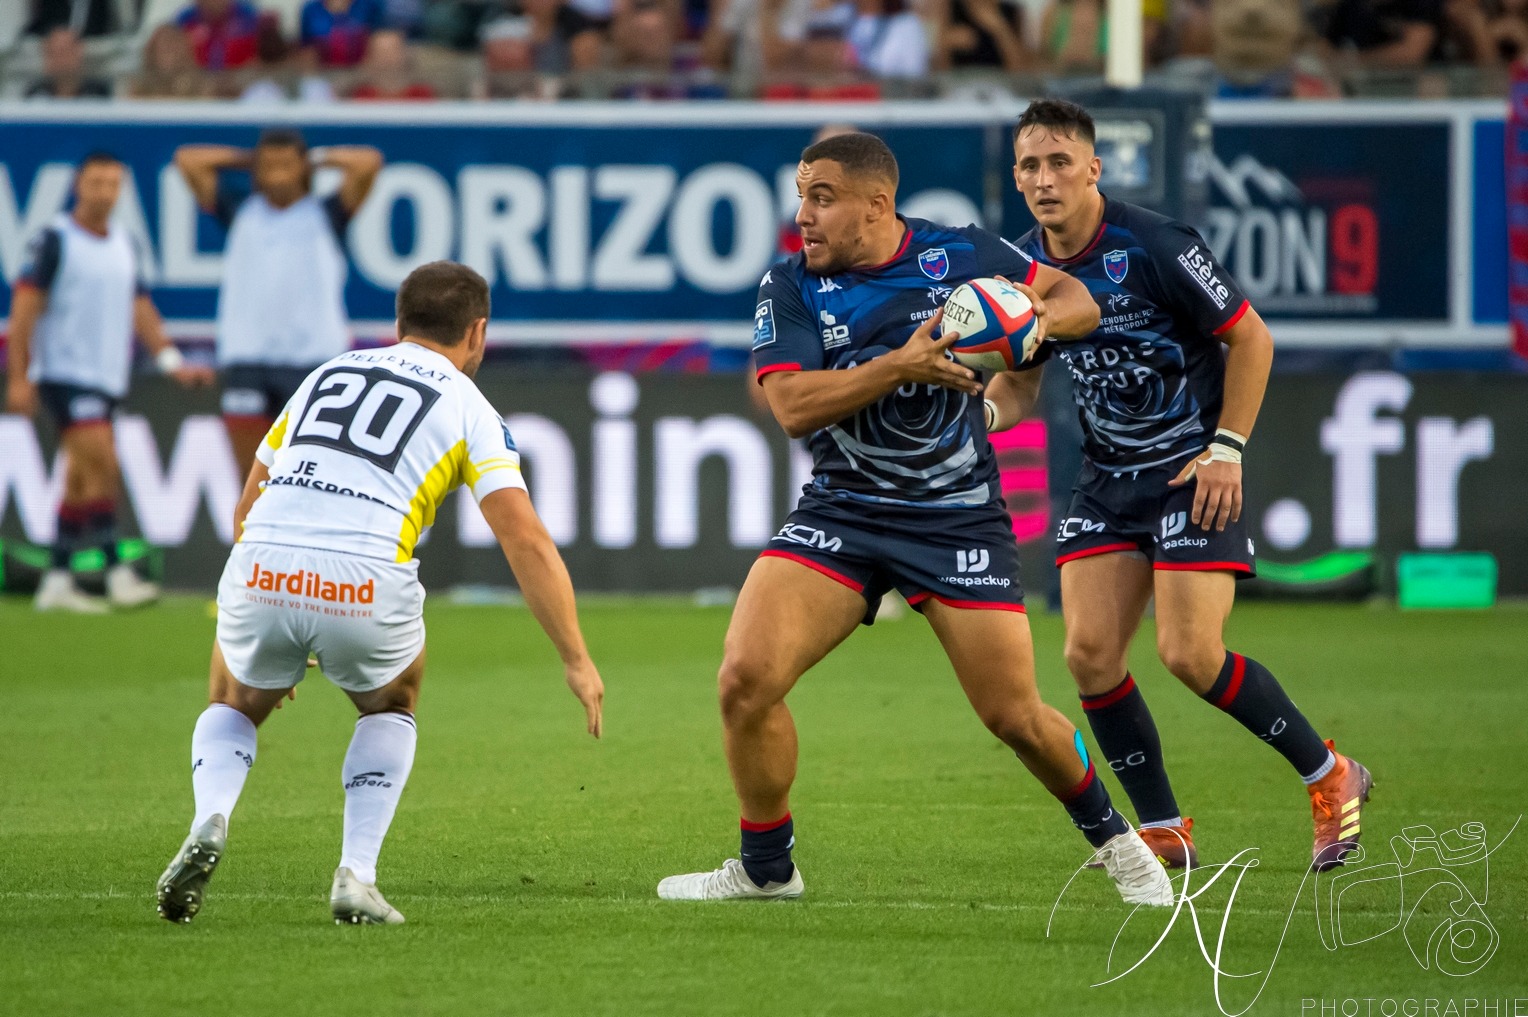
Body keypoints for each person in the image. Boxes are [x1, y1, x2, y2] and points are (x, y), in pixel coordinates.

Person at [657, 132, 1174, 907]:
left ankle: (1120, 844)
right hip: (842, 511)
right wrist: (900, 362)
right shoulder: (790, 285)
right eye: (802, 196)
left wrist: (1032, 325)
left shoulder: (958, 255)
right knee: (745, 679)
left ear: (877, 205)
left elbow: (1077, 298)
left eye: (822, 197)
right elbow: (792, 407)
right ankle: (766, 868)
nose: (804, 215)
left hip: (956, 520)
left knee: (1015, 715)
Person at [154, 261, 606, 926]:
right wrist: (575, 655)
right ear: (477, 332)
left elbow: (247, 504)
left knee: (236, 694)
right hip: (365, 577)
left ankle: (211, 813)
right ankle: (356, 874)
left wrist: (280, 611)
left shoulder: (325, 374)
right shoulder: (468, 405)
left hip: (263, 562)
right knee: (394, 695)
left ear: (398, 324)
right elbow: (526, 540)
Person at [993, 99, 1373, 873]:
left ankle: (1331, 774)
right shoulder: (1023, 272)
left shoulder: (1156, 243)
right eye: (1030, 165)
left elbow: (1251, 336)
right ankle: (1165, 827)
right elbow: (1020, 390)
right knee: (1090, 656)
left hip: (1189, 473)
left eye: (1060, 161)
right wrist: (977, 411)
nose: (1044, 179)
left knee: (1191, 653)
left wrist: (1227, 448)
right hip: (1106, 482)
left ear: (1095, 168)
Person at [4, 152, 213, 613]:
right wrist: (19, 375)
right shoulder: (54, 239)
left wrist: (171, 361)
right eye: (96, 182)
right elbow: (24, 309)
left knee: (80, 479)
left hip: (107, 376)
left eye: (113, 183)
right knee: (105, 467)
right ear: (79, 184)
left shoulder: (123, 242)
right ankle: (117, 570)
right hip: (64, 373)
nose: (104, 192)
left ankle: (58, 577)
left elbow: (140, 307)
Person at [173, 131, 384, 480]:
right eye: (268, 166)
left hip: (312, 362)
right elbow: (188, 159)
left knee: (316, 472)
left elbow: (369, 162)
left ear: (303, 169)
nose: (277, 173)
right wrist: (247, 158)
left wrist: (316, 156)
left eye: (287, 165)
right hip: (248, 358)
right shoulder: (240, 211)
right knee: (251, 475)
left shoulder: (326, 214)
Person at [25, 26, 113, 99]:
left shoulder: (98, 94)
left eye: (65, 52)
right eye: (55, 53)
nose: (61, 60)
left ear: (79, 52)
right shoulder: (36, 95)